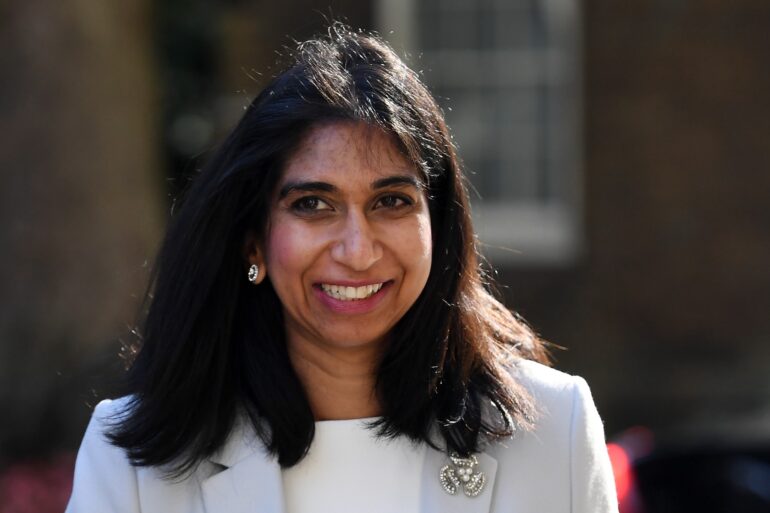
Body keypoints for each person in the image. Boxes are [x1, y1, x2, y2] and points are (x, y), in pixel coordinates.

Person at [66, 24, 618, 513]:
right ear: (253, 243)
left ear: (439, 226)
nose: (357, 251)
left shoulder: (555, 431)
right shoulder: (134, 466)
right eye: (313, 205)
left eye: (391, 202)